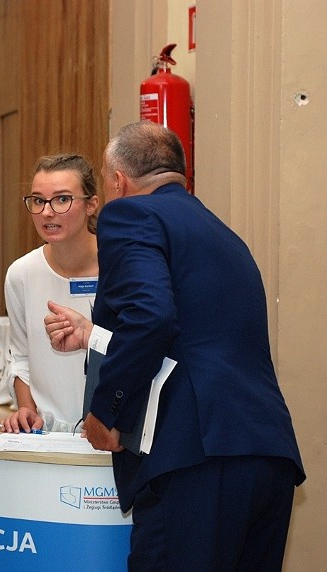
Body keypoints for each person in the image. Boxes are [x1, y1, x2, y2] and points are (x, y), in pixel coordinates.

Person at [45, 121, 305, 570]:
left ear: (118, 181)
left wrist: (109, 411)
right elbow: (193, 336)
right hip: (267, 454)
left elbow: (150, 317)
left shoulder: (131, 215)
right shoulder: (227, 238)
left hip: (194, 460)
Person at [1, 154, 99, 434]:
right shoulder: (21, 274)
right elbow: (20, 356)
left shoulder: (122, 268)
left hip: (110, 435)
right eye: (38, 200)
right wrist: (26, 412)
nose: (47, 212)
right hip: (48, 434)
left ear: (91, 204)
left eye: (62, 199)